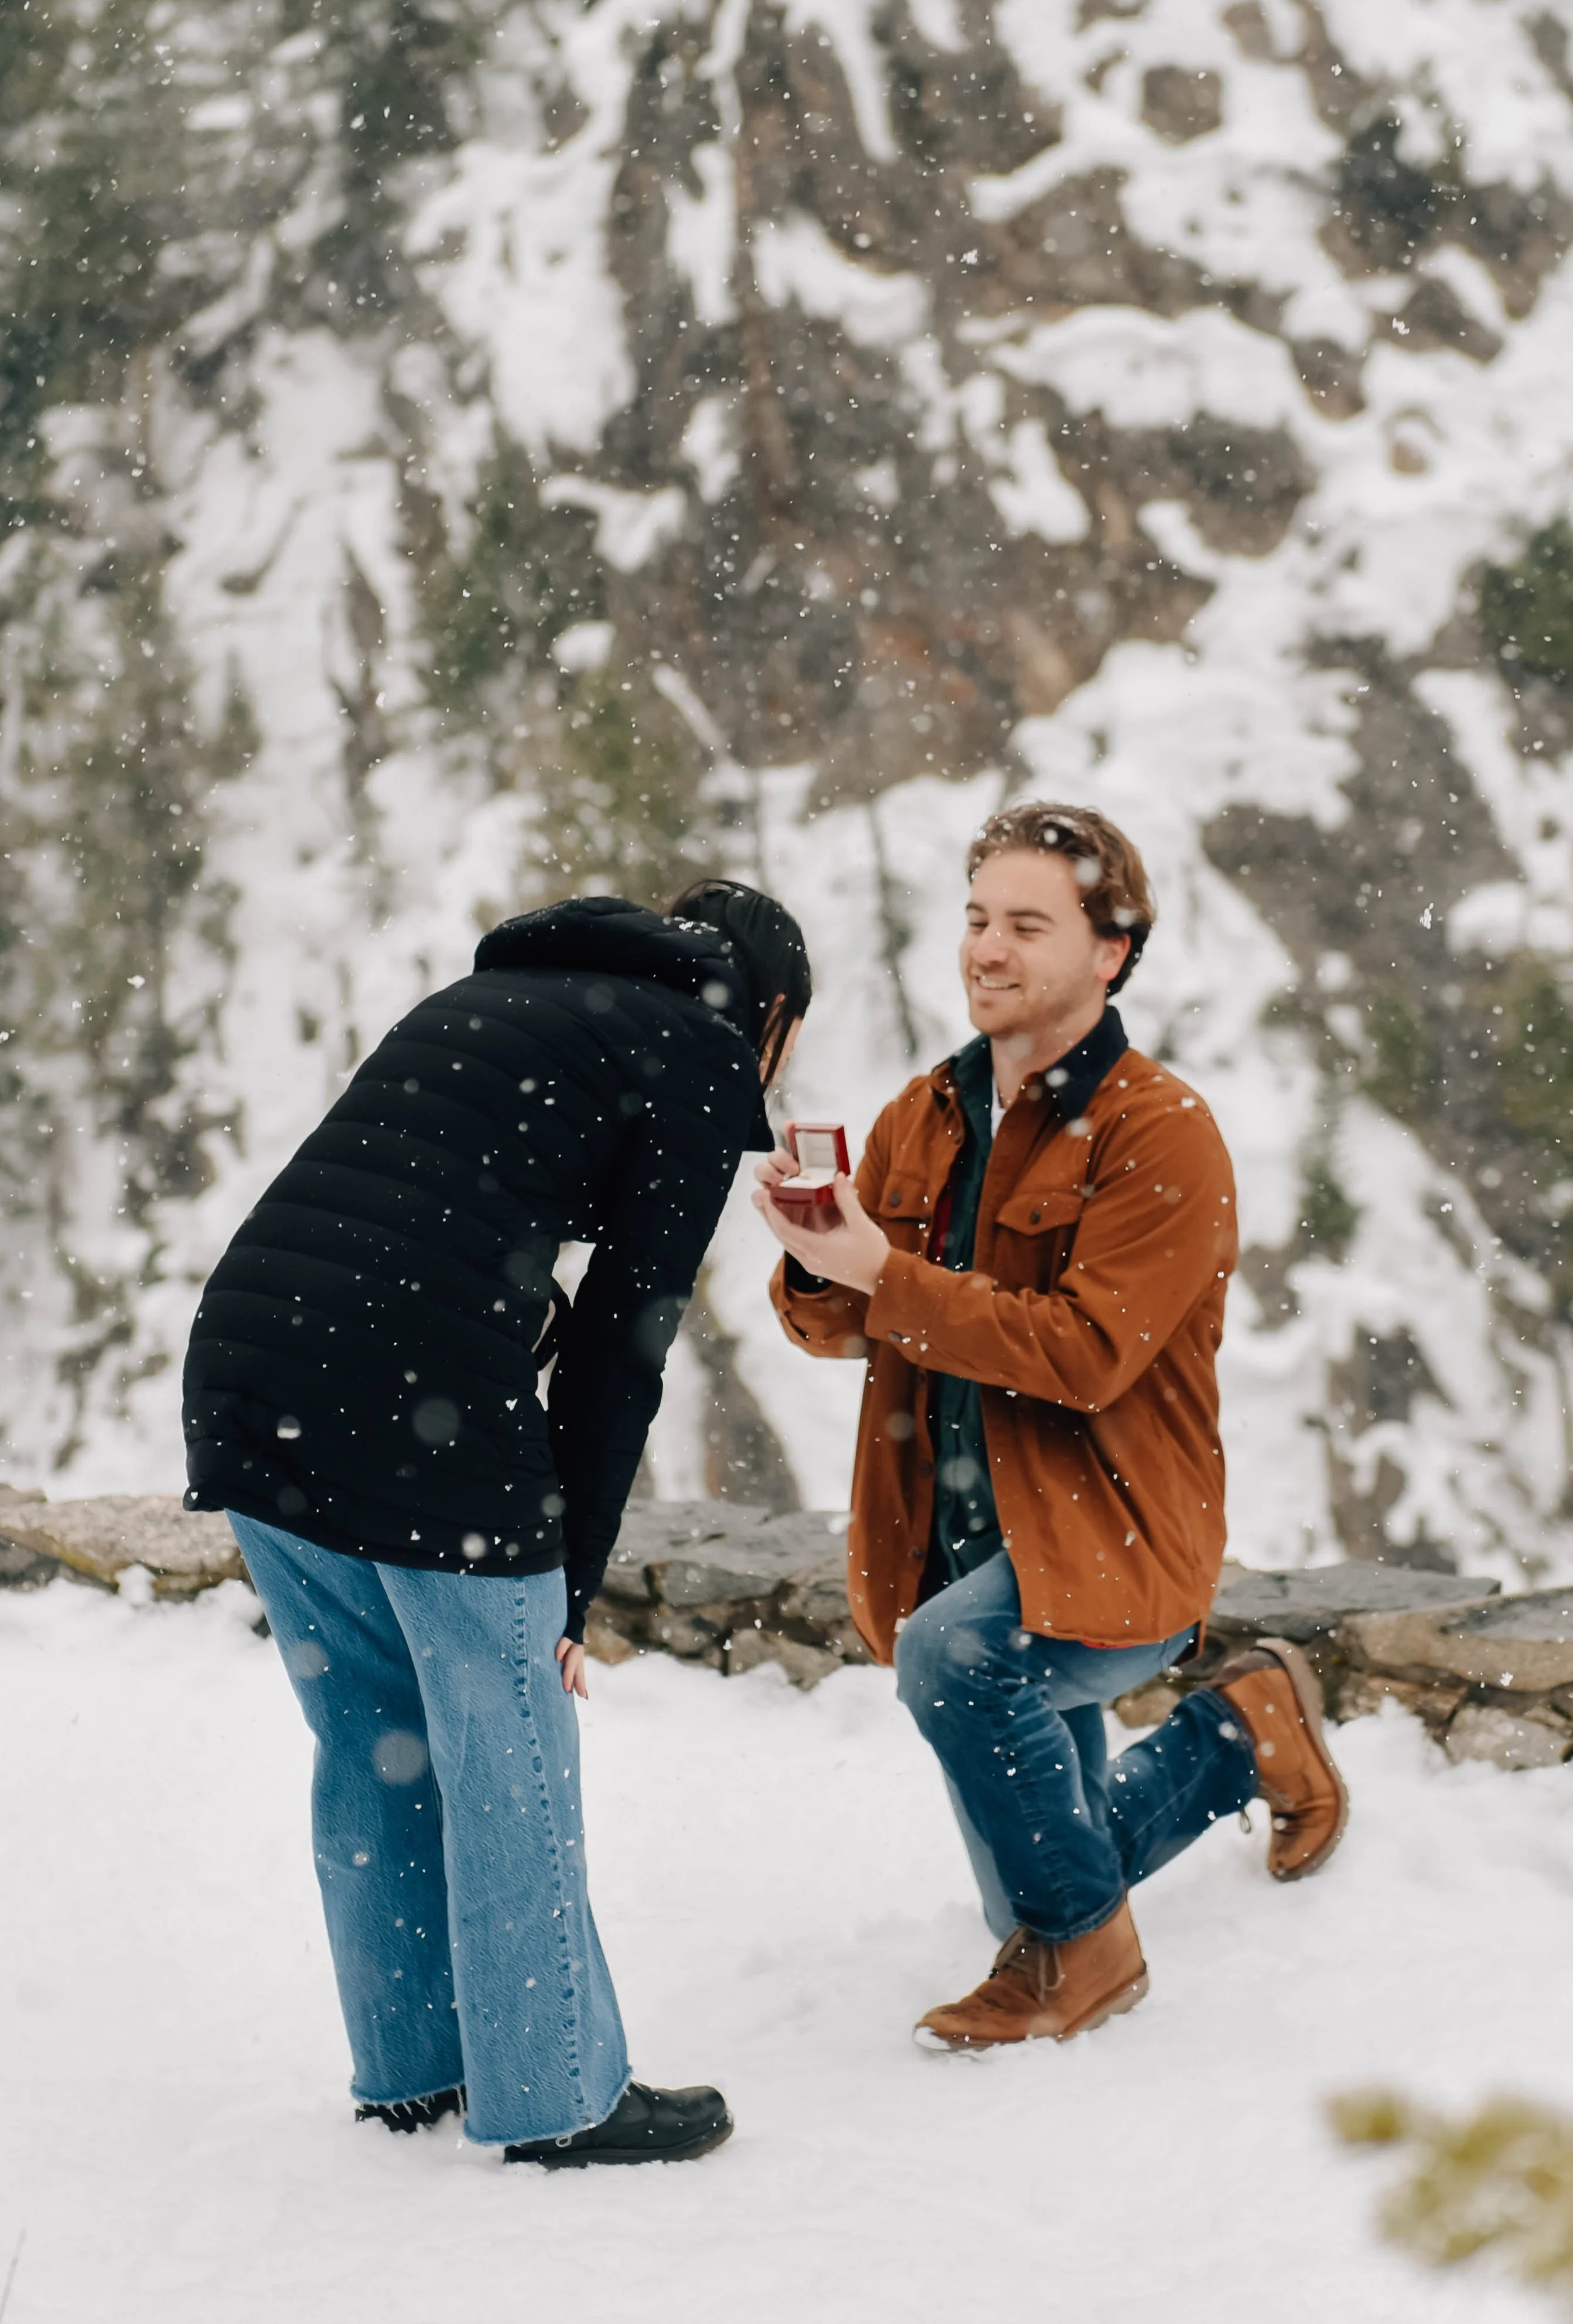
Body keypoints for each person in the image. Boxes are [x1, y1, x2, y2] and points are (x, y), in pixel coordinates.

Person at [184, 883, 810, 2159]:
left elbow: (427, 1219)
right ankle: (558, 2095)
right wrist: (559, 1598)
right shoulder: (698, 1052)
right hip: (412, 1403)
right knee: (504, 1747)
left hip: (249, 1371)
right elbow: (622, 1354)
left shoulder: (495, 997)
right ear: (775, 1019)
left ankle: (410, 2065)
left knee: (372, 1730)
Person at [756, 803, 1346, 2052]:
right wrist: (819, 1265)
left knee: (956, 1667)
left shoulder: (1159, 1135)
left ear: (1109, 953)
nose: (986, 949)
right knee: (1033, 1884)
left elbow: (1079, 1355)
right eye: (976, 919)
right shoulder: (924, 1114)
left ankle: (1084, 1964)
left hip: (1110, 1538)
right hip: (962, 1538)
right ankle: (1238, 1728)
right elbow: (843, 1327)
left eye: (1026, 924)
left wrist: (882, 1274)